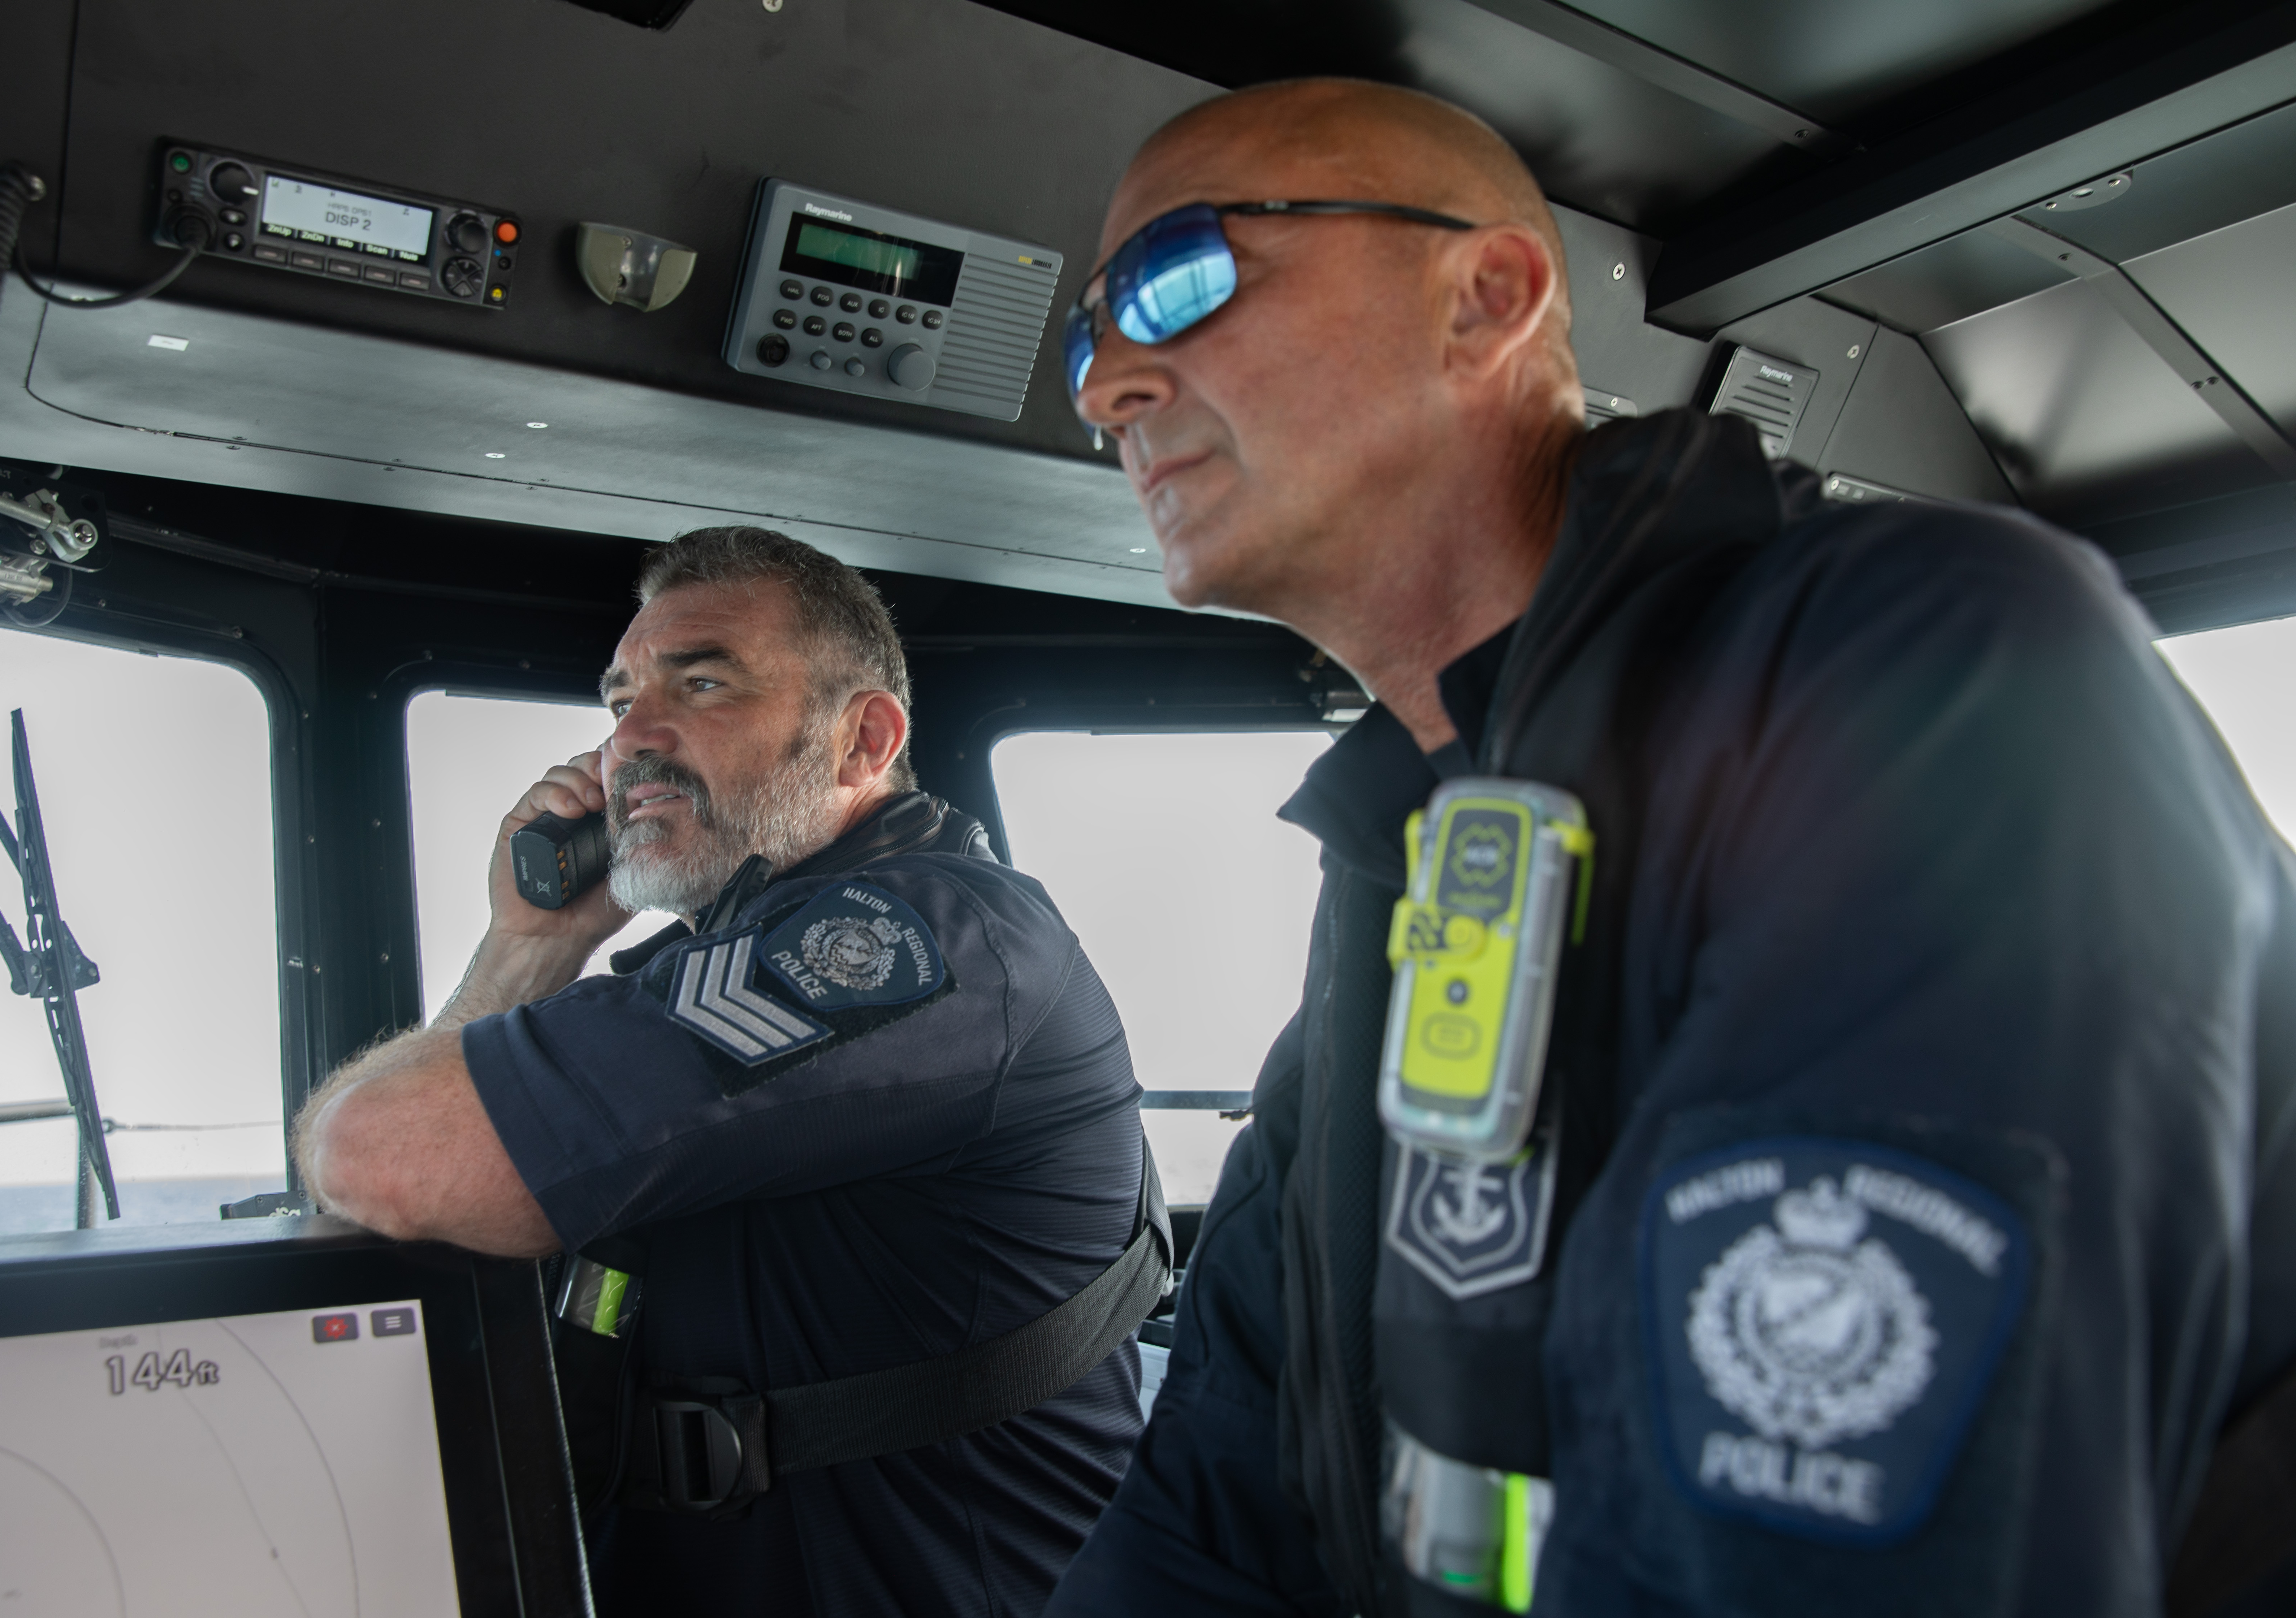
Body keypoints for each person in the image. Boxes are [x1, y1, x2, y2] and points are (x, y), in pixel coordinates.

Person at [1046, 78, 2296, 1617]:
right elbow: (1223, 1487)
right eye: (1087, 342)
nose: (1110, 385)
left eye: (1176, 282)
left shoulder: (1926, 669)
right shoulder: (1408, 853)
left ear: (1486, 297)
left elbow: (1824, 1548)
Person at [294, 524, 1164, 1618]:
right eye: (619, 703)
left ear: (864, 741)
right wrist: (533, 940)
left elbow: (379, 1154)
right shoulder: (719, 960)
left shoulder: (915, 942)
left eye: (702, 684)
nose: (631, 744)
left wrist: (526, 969)